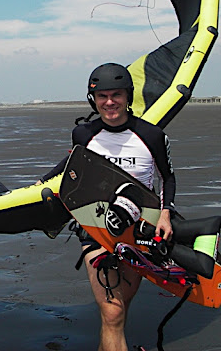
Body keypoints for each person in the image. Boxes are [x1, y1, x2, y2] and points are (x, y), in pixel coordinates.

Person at [40, 63, 176, 351]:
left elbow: (167, 178)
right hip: (95, 228)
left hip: (139, 230)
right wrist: (38, 186)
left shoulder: (151, 136)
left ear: (128, 96)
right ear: (93, 99)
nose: (110, 102)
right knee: (113, 312)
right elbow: (71, 166)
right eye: (102, 96)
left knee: (117, 310)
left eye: (116, 95)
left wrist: (165, 214)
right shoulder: (83, 134)